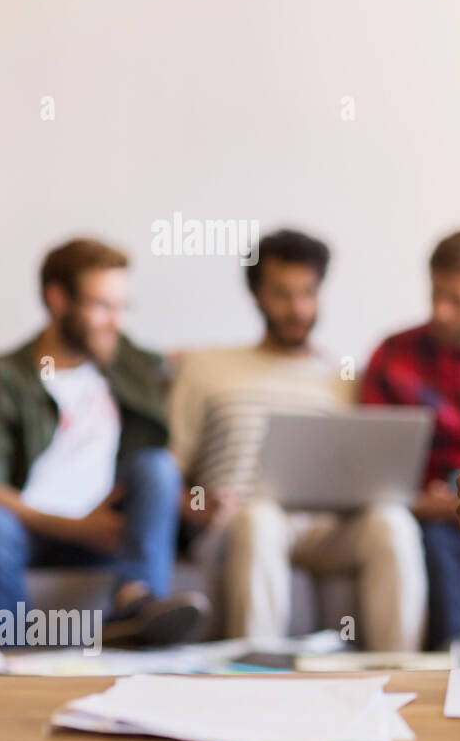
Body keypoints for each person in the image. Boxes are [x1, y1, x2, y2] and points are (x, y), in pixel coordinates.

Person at [168, 229, 427, 650]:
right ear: (256, 295)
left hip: (322, 528)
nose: (298, 308)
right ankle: (254, 675)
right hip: (240, 522)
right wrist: (198, 503)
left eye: (309, 292)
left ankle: (400, 674)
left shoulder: (340, 376)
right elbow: (171, 473)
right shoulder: (205, 367)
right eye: (282, 294)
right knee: (260, 517)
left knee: (392, 522)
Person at [0, 239, 206, 646]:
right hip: (31, 528)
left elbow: (191, 361)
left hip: (110, 524)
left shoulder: (125, 360)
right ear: (57, 299)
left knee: (156, 465)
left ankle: (134, 604)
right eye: (102, 306)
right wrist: (75, 528)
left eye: (123, 306)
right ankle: (11, 656)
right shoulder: (10, 379)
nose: (116, 321)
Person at [360, 231, 460, 663]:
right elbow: (366, 457)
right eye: (436, 294)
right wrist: (417, 499)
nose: (440, 312)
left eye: (457, 301)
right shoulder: (394, 354)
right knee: (443, 526)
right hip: (420, 505)